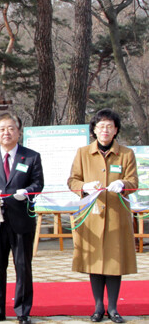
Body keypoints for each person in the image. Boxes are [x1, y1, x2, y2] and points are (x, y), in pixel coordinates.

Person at [67, 108, 137, 324]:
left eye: (109, 126)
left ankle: (114, 308)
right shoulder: (83, 152)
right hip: (92, 215)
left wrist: (123, 184)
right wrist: (84, 186)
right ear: (94, 130)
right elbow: (73, 180)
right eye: (101, 126)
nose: (105, 130)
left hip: (117, 216)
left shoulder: (126, 154)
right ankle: (98, 307)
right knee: (95, 262)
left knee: (114, 263)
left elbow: (134, 182)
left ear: (116, 130)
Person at [0, 113, 44, 324]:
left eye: (11, 128)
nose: (7, 132)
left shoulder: (31, 156)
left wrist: (27, 192)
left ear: (19, 132)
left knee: (23, 266)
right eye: (2, 129)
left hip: (21, 219)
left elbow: (38, 183)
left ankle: (23, 311)